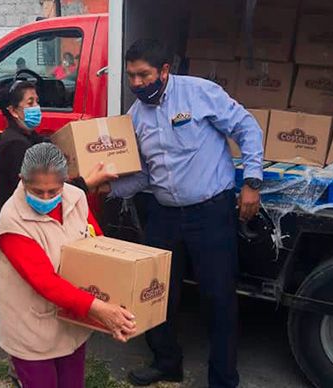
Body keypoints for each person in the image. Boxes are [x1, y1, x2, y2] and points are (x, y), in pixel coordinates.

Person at [109, 39, 263, 388]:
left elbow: (247, 127)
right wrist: (106, 187)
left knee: (218, 297)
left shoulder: (200, 93)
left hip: (211, 213)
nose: (135, 83)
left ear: (165, 71)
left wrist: (252, 181)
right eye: (131, 76)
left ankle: (223, 379)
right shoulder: (134, 117)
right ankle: (167, 362)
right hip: (164, 213)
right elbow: (143, 173)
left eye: (143, 75)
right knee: (155, 292)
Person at [0, 142, 137, 387]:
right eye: (37, 191)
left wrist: (116, 303)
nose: (46, 198)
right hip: (31, 328)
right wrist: (99, 309)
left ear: (65, 182)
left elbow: (95, 246)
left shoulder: (75, 197)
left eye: (53, 191)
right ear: (22, 180)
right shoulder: (12, 221)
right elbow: (45, 282)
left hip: (71, 320)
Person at [0, 80, 116, 219]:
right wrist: (88, 183)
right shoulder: (15, 145)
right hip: (18, 221)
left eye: (37, 101)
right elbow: (43, 189)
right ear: (13, 111)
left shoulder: (30, 137)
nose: (37, 107)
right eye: (30, 103)